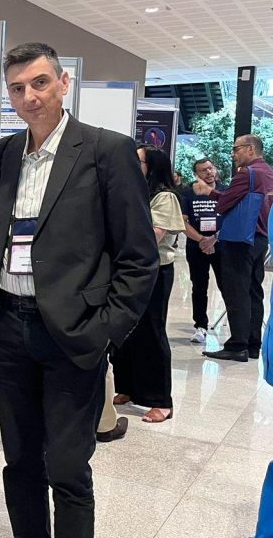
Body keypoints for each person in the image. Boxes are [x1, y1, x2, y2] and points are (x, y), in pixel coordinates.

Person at [0, 42, 158, 538]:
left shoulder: (106, 150)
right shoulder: (2, 155)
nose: (29, 96)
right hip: (9, 328)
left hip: (73, 334)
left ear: (63, 83)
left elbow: (138, 256)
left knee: (67, 468)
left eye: (39, 83)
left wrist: (106, 331)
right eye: (17, 88)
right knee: (20, 463)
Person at [112, 145, 184, 423]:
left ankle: (160, 400)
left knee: (151, 332)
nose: (133, 164)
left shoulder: (164, 197)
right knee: (124, 328)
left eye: (139, 161)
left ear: (152, 166)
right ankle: (128, 387)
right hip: (126, 269)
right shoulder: (133, 191)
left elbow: (152, 236)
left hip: (154, 271)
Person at [203, 134, 272, 362]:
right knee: (254, 290)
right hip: (260, 238)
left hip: (239, 240)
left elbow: (224, 205)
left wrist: (210, 193)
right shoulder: (269, 173)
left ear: (251, 149)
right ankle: (253, 344)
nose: (233, 154)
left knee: (236, 292)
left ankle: (237, 345)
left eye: (236, 149)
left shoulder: (247, 174)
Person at [181, 158, 225, 343]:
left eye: (210, 168)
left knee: (227, 285)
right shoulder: (187, 193)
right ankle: (200, 326)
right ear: (196, 174)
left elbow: (232, 218)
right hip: (196, 245)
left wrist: (213, 240)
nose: (208, 173)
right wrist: (201, 240)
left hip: (221, 244)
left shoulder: (226, 190)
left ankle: (235, 323)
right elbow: (183, 221)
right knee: (199, 287)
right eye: (203, 170)